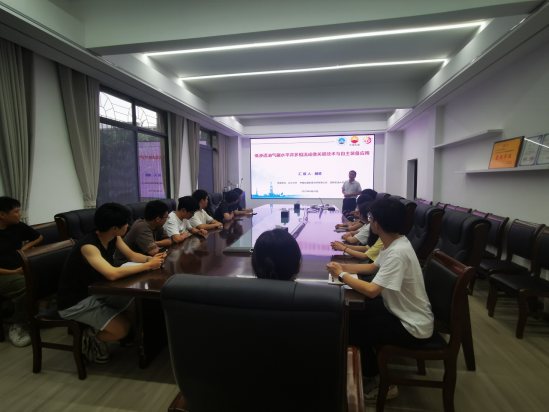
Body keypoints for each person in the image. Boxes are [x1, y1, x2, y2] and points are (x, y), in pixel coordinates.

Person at [326, 198, 434, 403]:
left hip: (411, 324)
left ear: (376, 224)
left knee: (353, 332)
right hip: (398, 310)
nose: (369, 221)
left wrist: (341, 275)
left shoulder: (397, 253)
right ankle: (361, 369)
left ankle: (377, 382)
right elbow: (372, 267)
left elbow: (371, 290)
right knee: (351, 316)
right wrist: (342, 267)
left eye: (370, 217)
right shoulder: (396, 241)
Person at [57, 203, 165, 363]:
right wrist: (148, 266)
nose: (128, 225)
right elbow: (112, 274)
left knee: (138, 306)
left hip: (97, 291)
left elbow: (132, 255)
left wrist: (151, 259)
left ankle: (107, 327)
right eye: (126, 223)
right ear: (114, 228)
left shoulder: (114, 236)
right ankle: (92, 337)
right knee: (123, 329)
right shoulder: (89, 246)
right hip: (76, 301)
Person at [0, 196, 43, 347]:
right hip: (3, 274)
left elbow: (38, 237)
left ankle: (36, 315)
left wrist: (22, 251)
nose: (20, 214)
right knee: (26, 284)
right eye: (16, 211)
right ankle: (19, 325)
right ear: (2, 214)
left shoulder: (17, 226)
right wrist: (14, 272)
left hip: (17, 269)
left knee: (46, 274)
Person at [113, 200, 172, 266]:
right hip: (124, 263)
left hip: (138, 259)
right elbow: (153, 251)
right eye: (166, 217)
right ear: (158, 219)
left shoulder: (157, 225)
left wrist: (153, 243)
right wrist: (151, 246)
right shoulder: (142, 227)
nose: (127, 225)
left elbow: (169, 241)